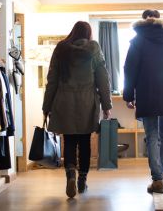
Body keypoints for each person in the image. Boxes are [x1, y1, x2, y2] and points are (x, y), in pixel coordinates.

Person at [42, 21, 112, 198]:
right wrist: (106, 105)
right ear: (88, 34)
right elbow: (103, 78)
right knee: (84, 142)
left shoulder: (61, 49)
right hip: (87, 102)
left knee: (69, 140)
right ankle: (82, 180)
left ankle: (70, 174)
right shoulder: (94, 48)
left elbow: (52, 80)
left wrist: (46, 106)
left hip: (64, 101)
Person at [123, 9, 163, 194]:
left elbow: (129, 69)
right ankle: (162, 175)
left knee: (152, 136)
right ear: (160, 21)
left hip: (146, 93)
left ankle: (157, 178)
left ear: (143, 21)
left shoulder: (138, 41)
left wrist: (129, 96)